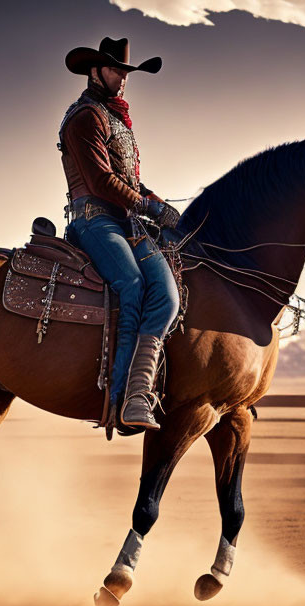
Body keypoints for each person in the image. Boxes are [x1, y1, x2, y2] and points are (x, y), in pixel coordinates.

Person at [59, 37, 180, 431]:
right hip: (93, 220)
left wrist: (163, 207)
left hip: (126, 223)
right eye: (117, 71)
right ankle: (115, 397)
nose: (123, 79)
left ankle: (138, 394)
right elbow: (100, 180)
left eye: (127, 73)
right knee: (130, 284)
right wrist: (150, 208)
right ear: (95, 71)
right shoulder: (84, 117)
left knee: (167, 293)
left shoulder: (115, 120)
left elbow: (132, 182)